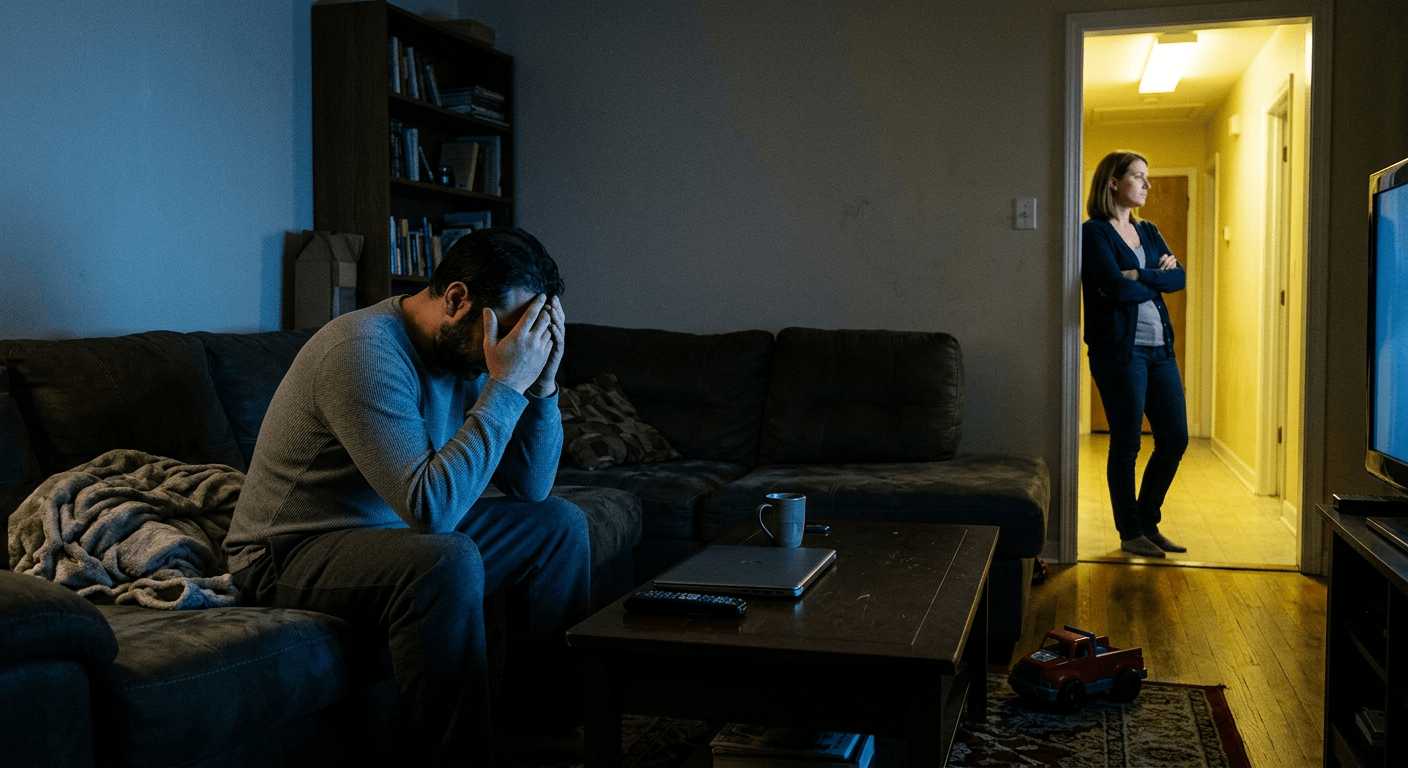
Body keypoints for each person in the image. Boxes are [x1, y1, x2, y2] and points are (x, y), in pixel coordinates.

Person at [223, 227, 590, 764]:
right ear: (458, 299)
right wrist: (507, 386)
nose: (517, 350)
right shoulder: (362, 349)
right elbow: (431, 511)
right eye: (513, 332)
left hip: (390, 533)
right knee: (444, 560)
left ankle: (541, 733)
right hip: (288, 552)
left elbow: (530, 487)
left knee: (558, 526)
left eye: (531, 337)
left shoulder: (465, 349)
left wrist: (542, 386)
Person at [1082, 151, 1190, 559]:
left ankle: (1148, 521)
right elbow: (1114, 287)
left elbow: (1178, 278)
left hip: (1160, 350)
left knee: (1174, 438)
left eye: (1148, 177)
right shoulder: (1094, 233)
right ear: (1113, 182)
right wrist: (1153, 280)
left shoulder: (1149, 230)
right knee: (1126, 444)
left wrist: (1142, 275)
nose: (1147, 185)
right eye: (1139, 177)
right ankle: (1130, 534)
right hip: (1119, 354)